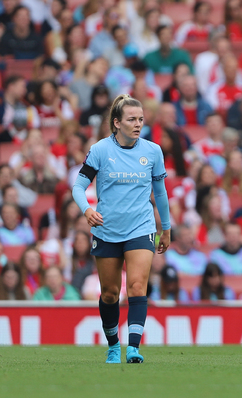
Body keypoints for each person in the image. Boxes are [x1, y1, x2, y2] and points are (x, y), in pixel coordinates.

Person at [72, 94, 171, 364]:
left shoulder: (152, 151)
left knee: (137, 287)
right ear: (116, 123)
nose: (138, 124)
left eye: (140, 119)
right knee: (110, 293)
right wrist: (87, 210)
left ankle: (134, 348)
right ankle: (113, 344)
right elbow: (78, 186)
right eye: (131, 119)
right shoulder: (101, 150)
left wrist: (167, 227)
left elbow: (160, 193)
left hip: (141, 226)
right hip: (107, 229)